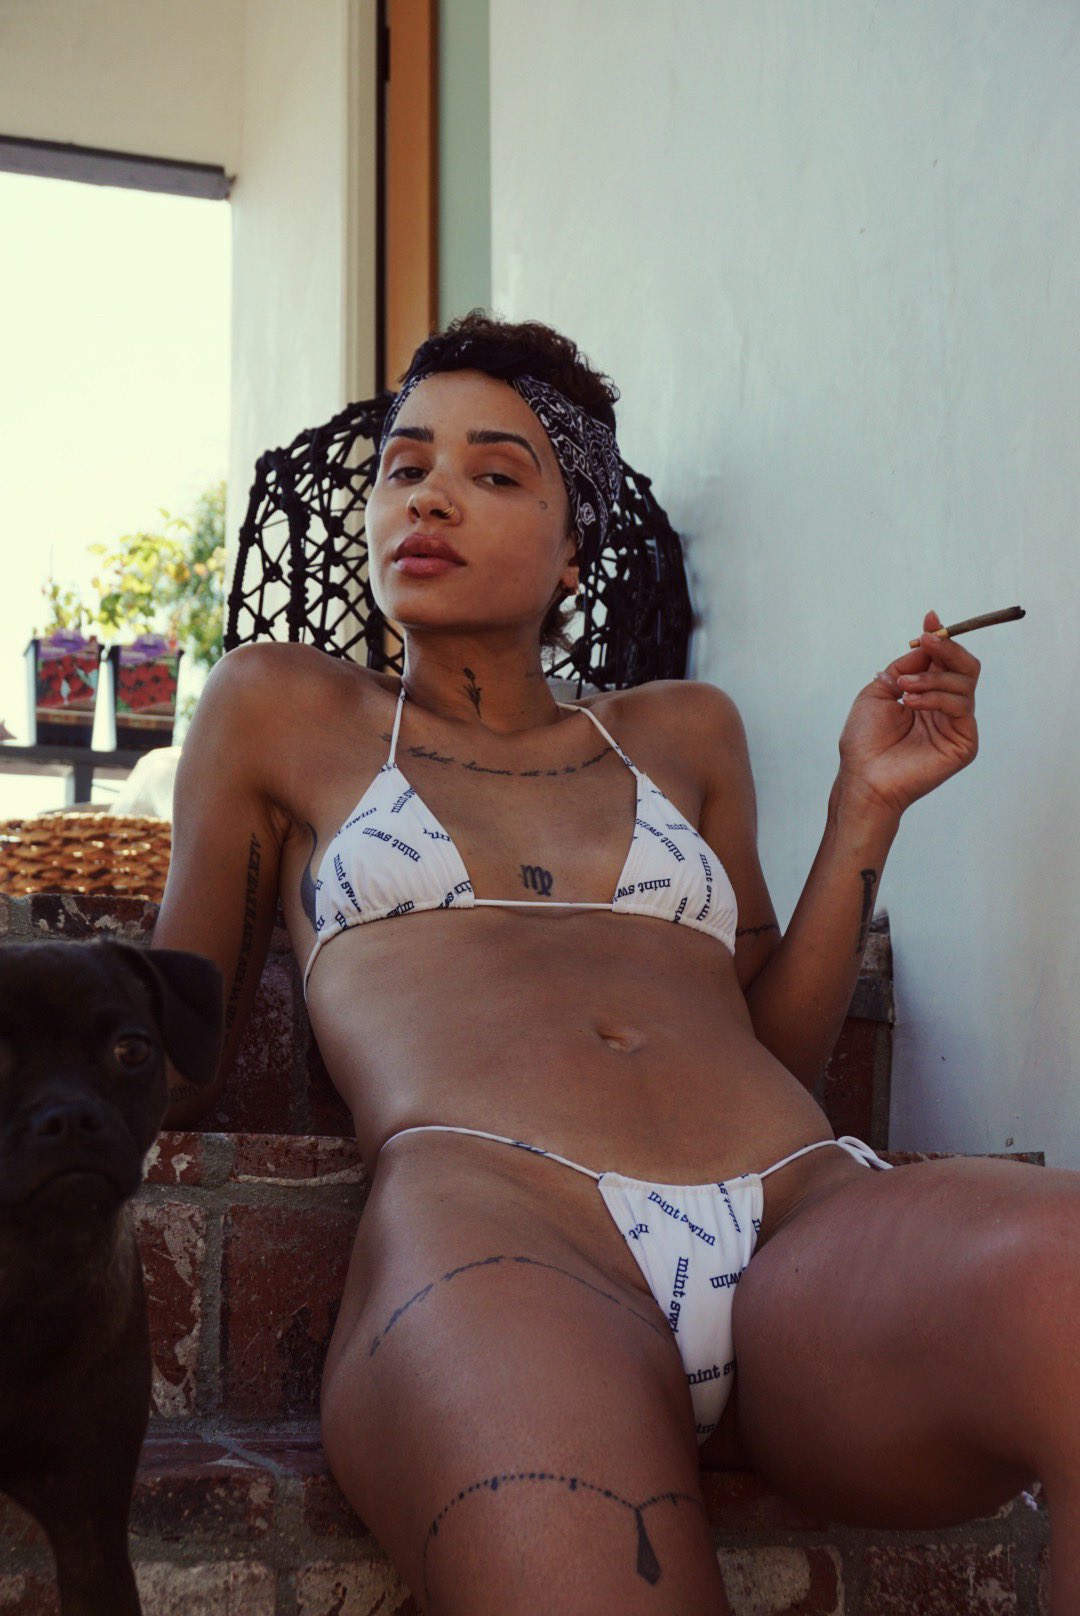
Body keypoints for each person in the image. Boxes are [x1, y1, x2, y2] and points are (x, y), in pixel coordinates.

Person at [154, 313, 1076, 1616]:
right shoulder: (283, 708)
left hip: (798, 1219)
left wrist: (865, 806)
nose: (430, 496)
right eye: (406, 467)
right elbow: (175, 1041)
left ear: (576, 547)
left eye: (494, 472)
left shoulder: (684, 733)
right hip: (502, 1239)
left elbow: (776, 1047)